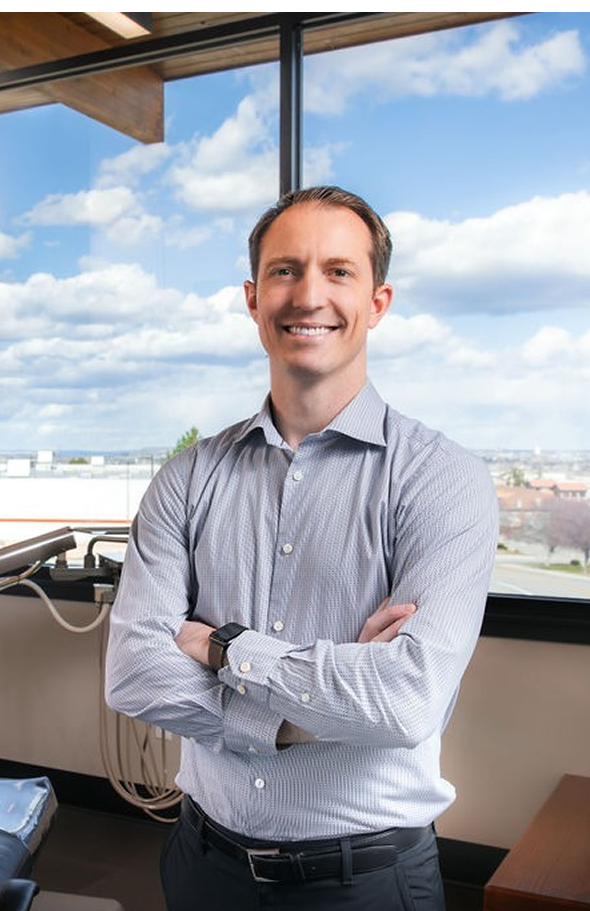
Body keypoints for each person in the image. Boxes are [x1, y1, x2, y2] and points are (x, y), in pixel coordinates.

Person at [105, 185, 499, 911]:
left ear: (377, 302)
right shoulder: (187, 477)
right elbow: (134, 673)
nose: (308, 295)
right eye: (285, 270)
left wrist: (224, 648)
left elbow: (406, 701)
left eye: (338, 271)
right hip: (203, 864)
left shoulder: (442, 479)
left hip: (366, 882)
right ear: (253, 299)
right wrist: (314, 715)